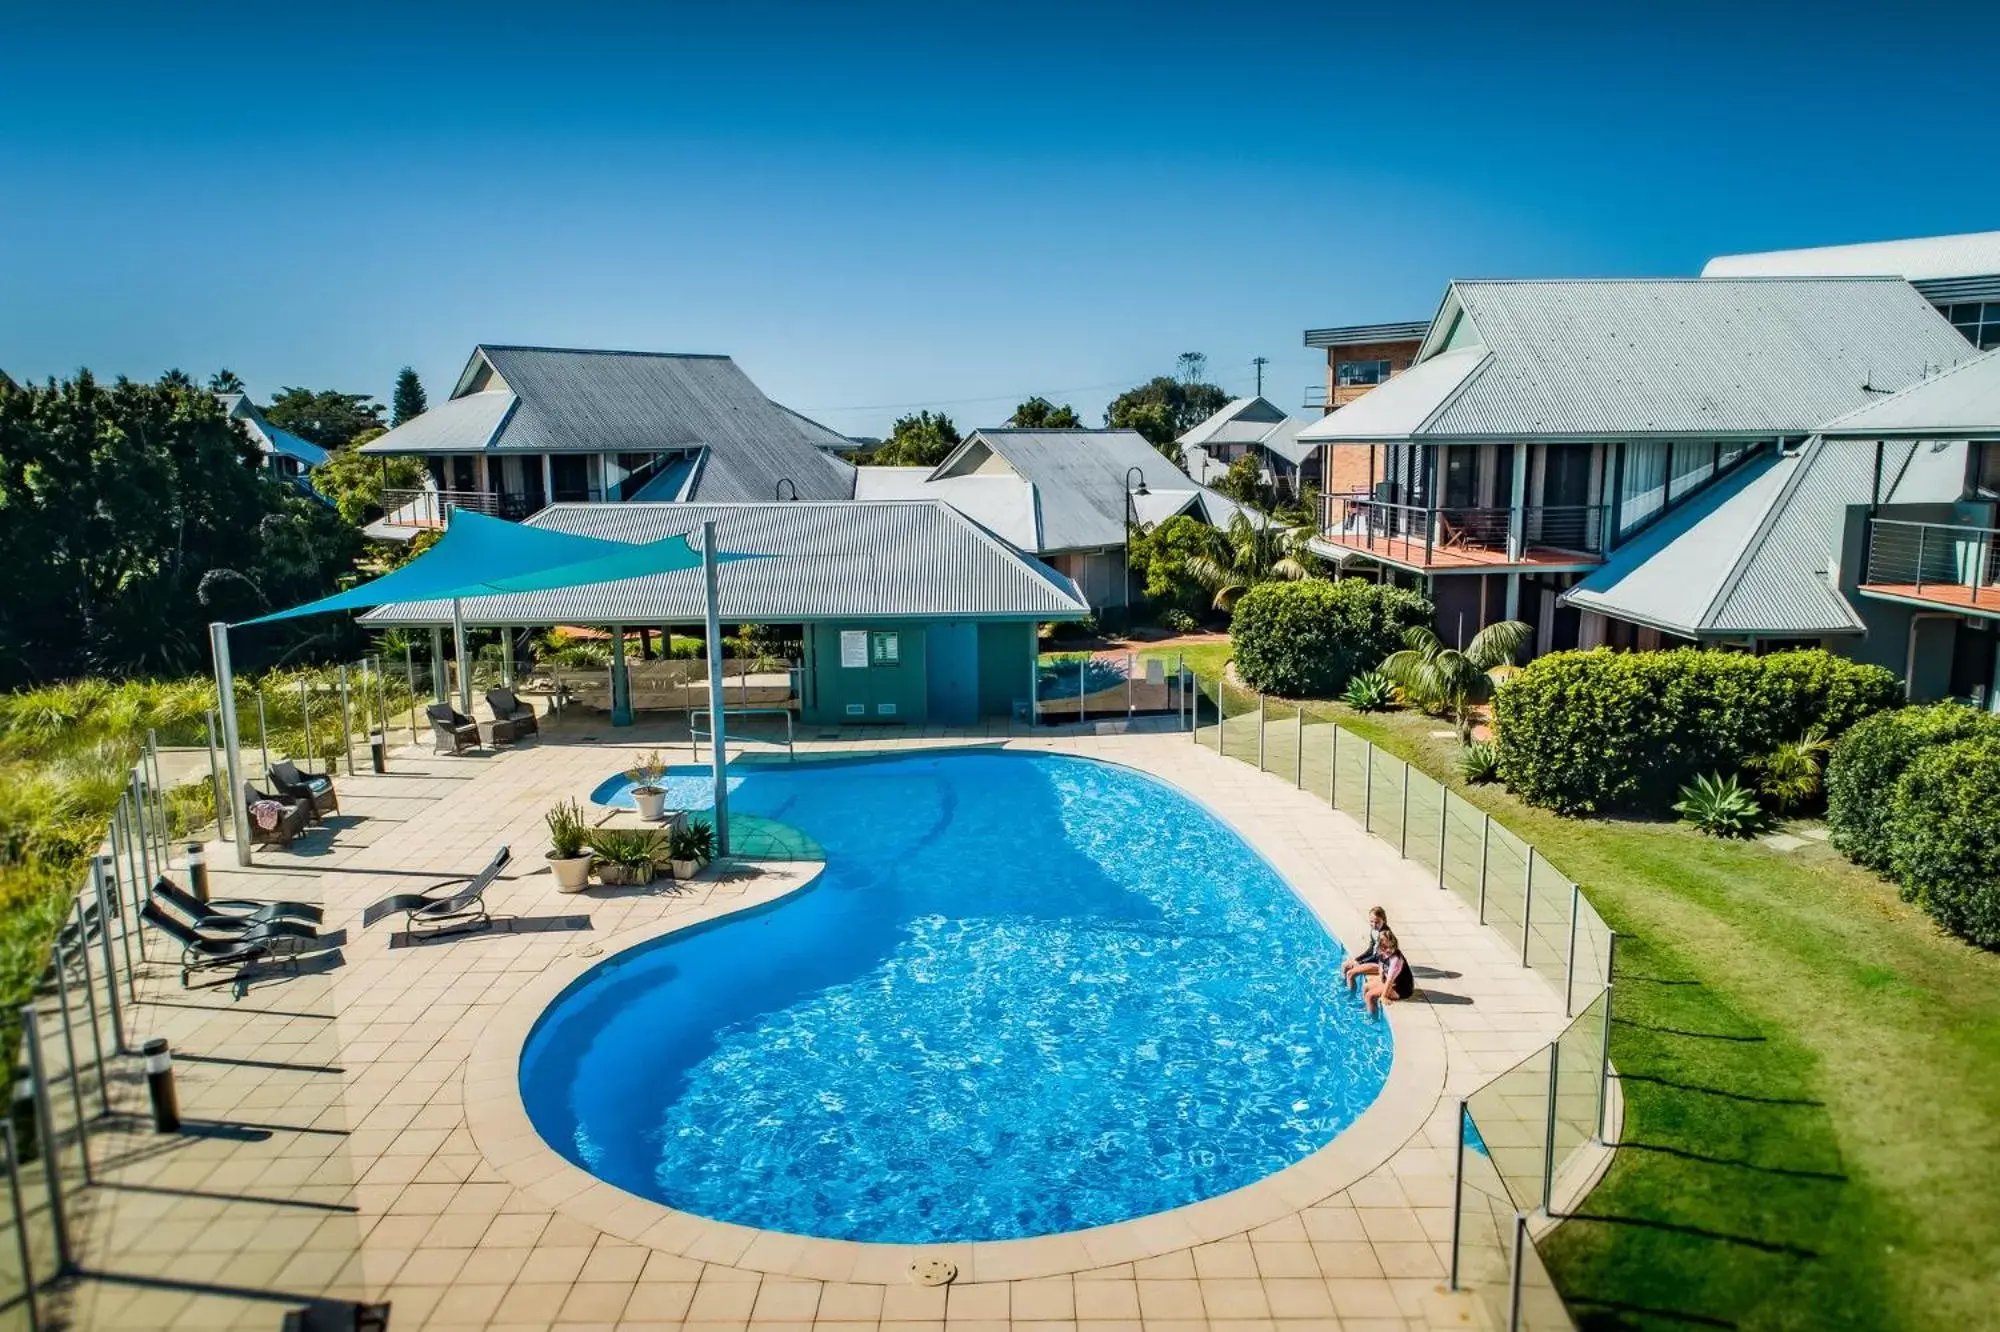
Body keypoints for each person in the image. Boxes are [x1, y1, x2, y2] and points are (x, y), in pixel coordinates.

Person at [1364, 929, 1415, 1016]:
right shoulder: (1381, 952)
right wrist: (1380, 980)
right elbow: (1381, 968)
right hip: (1392, 982)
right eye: (1385, 947)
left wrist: (1384, 996)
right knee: (1366, 986)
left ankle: (1372, 1018)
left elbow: (1390, 980)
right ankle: (1367, 1009)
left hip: (1401, 989)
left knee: (1369, 995)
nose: (1388, 950)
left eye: (1391, 947)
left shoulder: (1396, 959)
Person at [1341, 907, 1389, 990]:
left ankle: (1351, 998)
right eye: (1371, 922)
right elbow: (1371, 949)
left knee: (1351, 974)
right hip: (1375, 960)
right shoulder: (1374, 930)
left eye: (1377, 922)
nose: (1374, 925)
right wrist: (1358, 959)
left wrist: (1361, 963)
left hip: (1382, 964)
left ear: (1383, 920)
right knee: (1345, 965)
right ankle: (1344, 986)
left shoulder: (1385, 936)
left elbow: (1377, 956)